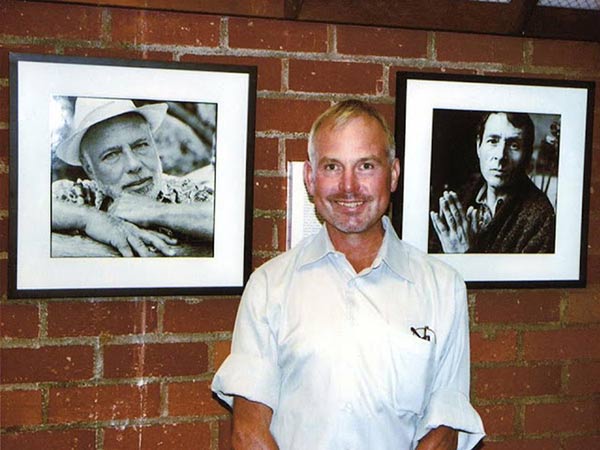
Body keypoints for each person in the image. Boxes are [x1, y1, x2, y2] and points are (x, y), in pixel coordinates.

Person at [212, 100, 484, 449]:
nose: (349, 187)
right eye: (332, 167)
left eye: (366, 166)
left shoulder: (443, 287)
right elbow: (249, 432)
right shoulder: (268, 286)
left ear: (394, 174)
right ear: (310, 178)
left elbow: (445, 429)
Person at [52, 97, 214, 257]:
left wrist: (155, 211)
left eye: (141, 145)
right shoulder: (79, 197)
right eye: (111, 155)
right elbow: (31, 209)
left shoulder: (187, 193)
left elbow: (233, 222)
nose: (133, 164)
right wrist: (90, 219)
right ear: (90, 170)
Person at [430, 111, 555, 254]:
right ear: (479, 146)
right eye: (493, 141)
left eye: (514, 145)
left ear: (527, 155)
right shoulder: (459, 195)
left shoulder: (540, 217)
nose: (501, 156)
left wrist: (465, 253)